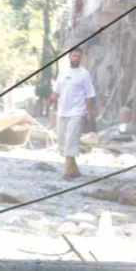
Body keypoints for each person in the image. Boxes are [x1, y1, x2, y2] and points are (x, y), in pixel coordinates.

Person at [52, 47, 96, 180]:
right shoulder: (63, 72)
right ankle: (75, 171)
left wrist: (89, 113)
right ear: (70, 57)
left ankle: (66, 172)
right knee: (62, 142)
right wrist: (51, 99)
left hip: (77, 112)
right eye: (74, 56)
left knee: (71, 141)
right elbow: (56, 91)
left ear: (81, 58)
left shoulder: (84, 74)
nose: (76, 58)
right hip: (62, 112)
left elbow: (90, 95)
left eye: (79, 56)